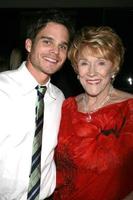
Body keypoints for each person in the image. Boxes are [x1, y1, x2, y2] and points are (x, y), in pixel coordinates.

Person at [0, 9, 74, 199]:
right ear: (29, 44)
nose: (55, 52)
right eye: (47, 41)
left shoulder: (59, 99)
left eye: (62, 46)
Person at [53, 26, 133, 200]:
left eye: (101, 63)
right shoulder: (67, 107)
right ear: (76, 69)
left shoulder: (130, 109)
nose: (91, 72)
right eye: (84, 63)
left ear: (115, 67)